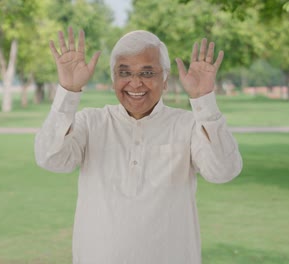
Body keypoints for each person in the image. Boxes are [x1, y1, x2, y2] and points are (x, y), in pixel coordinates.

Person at [35, 27, 242, 264]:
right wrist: (68, 92)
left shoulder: (187, 125)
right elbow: (50, 159)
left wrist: (204, 99)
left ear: (164, 79)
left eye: (147, 72)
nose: (135, 83)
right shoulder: (92, 122)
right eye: (124, 72)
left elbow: (224, 171)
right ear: (113, 79)